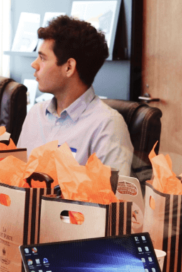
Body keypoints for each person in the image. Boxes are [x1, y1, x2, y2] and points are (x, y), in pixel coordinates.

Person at [17, 15, 134, 176]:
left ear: (69, 67)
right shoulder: (35, 114)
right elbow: (14, 180)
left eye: (43, 58)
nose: (34, 64)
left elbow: (113, 198)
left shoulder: (107, 125)